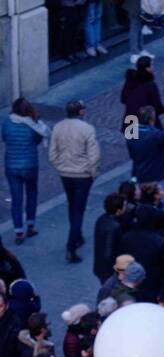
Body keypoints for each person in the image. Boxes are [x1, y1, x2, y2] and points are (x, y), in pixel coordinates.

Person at [48, 100, 100, 264]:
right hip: (82, 174)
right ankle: (71, 246)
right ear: (81, 112)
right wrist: (92, 172)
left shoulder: (58, 127)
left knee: (72, 205)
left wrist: (59, 165)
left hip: (65, 173)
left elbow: (52, 152)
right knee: (79, 209)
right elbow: (93, 154)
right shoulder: (87, 129)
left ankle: (77, 236)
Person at [2, 98, 50, 245]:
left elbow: (4, 138)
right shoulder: (34, 125)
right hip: (30, 165)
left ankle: (18, 231)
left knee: (16, 199)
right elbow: (37, 141)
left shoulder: (7, 123)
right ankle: (30, 225)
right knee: (31, 195)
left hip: (12, 166)